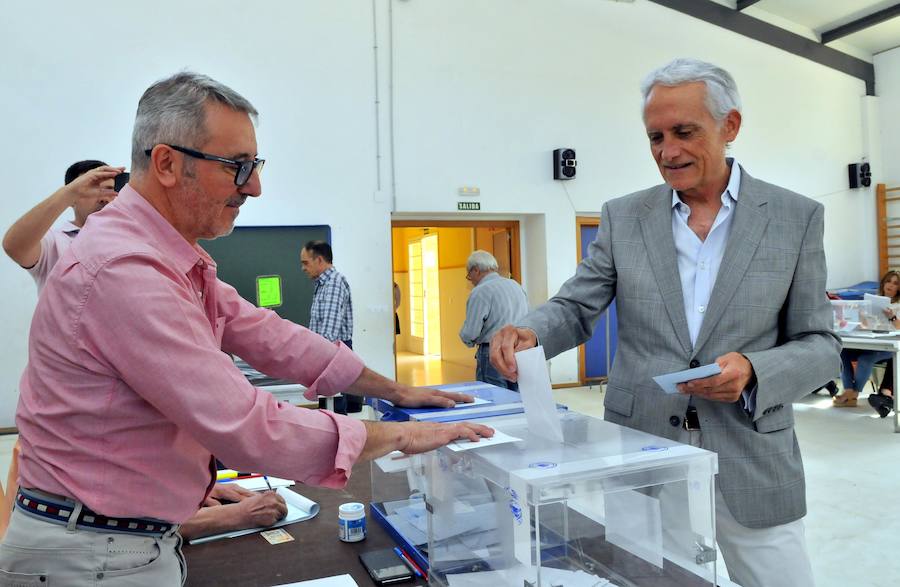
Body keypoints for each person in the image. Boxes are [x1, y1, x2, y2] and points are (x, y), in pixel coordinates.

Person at [1, 71, 490, 585]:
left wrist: (396, 390)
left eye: (254, 166)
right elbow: (245, 424)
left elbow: (268, 334)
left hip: (118, 541)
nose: (254, 186)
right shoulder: (124, 270)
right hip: (90, 557)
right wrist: (401, 436)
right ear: (167, 163)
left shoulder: (170, 258)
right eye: (238, 167)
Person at [490, 58, 839, 587]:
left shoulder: (795, 217)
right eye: (655, 136)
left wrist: (753, 370)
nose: (667, 152)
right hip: (643, 450)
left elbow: (820, 344)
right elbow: (577, 303)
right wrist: (532, 331)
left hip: (752, 453)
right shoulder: (624, 217)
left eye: (684, 132)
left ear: (731, 126)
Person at [3, 159, 290, 541]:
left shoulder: (147, 251)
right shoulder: (62, 244)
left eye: (114, 188)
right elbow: (14, 244)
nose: (109, 197)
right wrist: (70, 194)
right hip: (86, 414)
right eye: (96, 190)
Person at [2, 160, 122, 291]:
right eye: (91, 189)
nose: (103, 198)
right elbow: (15, 246)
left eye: (109, 189)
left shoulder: (128, 239)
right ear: (71, 199)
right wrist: (71, 192)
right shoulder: (54, 242)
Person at [300, 240, 360, 413]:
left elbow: (329, 334)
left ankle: (340, 439)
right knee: (328, 407)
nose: (303, 268)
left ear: (319, 260)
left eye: (306, 263)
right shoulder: (322, 284)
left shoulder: (334, 283)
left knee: (335, 407)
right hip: (327, 352)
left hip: (333, 353)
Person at [459, 250, 528, 390]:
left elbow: (471, 332)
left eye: (469, 275)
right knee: (517, 398)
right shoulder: (515, 285)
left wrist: (466, 339)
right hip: (519, 349)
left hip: (492, 352)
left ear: (476, 270)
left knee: (494, 399)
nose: (470, 280)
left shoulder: (480, 291)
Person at [833, 270, 900, 414]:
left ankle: (853, 394)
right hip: (871, 340)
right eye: (888, 281)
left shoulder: (899, 304)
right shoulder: (873, 300)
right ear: (883, 283)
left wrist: (892, 317)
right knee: (842, 351)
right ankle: (849, 389)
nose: (890, 285)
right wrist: (862, 316)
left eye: (895, 283)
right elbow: (866, 326)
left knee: (866, 358)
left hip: (888, 345)